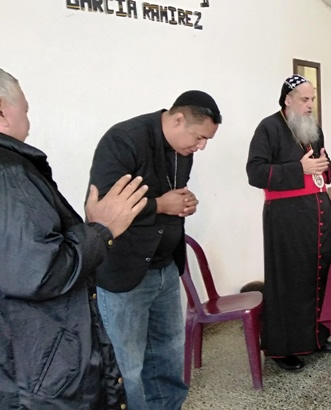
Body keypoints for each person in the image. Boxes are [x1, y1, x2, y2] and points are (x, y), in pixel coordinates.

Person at [0, 68, 148, 409]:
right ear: (3, 111)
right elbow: (39, 271)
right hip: (37, 371)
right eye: (26, 109)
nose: (28, 121)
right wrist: (101, 229)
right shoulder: (9, 173)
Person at [88, 91, 222, 409]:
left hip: (165, 267)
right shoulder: (124, 140)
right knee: (127, 367)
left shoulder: (181, 148)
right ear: (178, 119)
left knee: (168, 358)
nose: (201, 146)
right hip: (124, 272)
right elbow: (102, 209)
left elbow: (171, 195)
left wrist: (184, 203)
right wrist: (162, 205)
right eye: (199, 137)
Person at [246, 74, 331, 373]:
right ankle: (282, 348)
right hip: (286, 217)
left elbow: (322, 167)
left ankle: (317, 338)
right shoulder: (269, 127)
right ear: (287, 99)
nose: (310, 105)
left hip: (316, 215)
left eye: (312, 99)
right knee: (290, 281)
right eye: (304, 99)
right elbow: (255, 173)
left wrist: (323, 166)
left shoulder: (313, 128)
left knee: (318, 276)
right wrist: (298, 168)